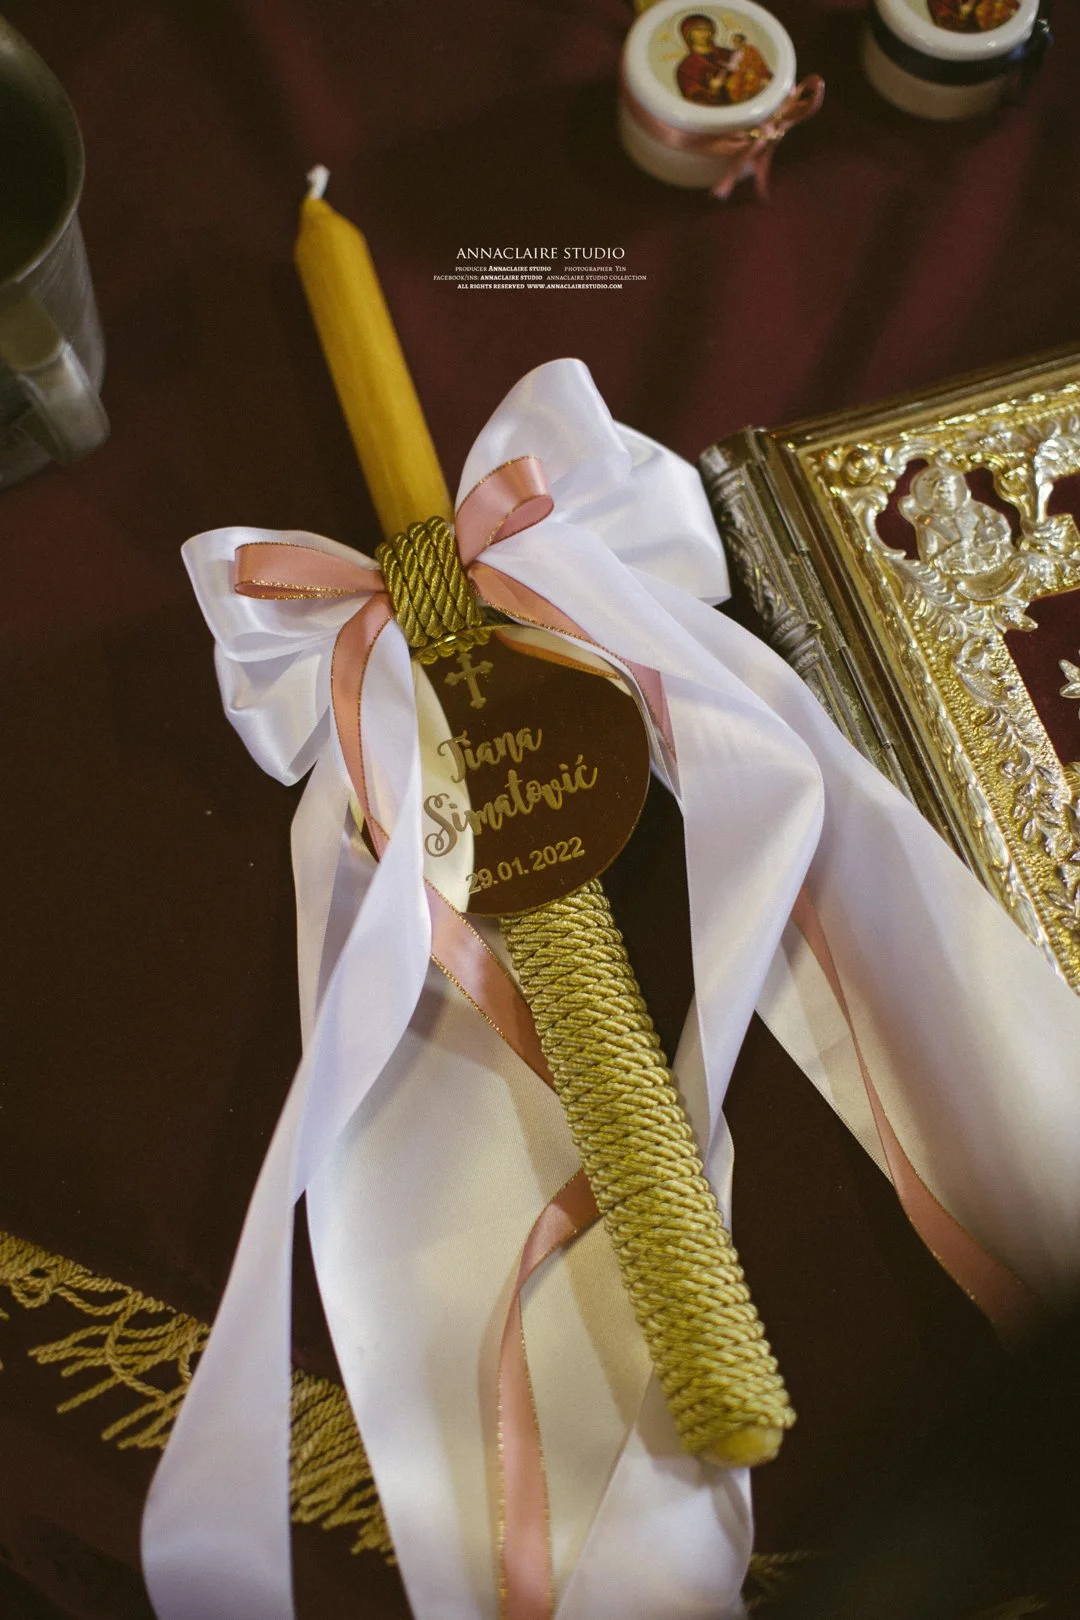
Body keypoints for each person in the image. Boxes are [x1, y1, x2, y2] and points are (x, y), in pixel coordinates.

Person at [675, 14, 733, 105]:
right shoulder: (685, 67)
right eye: (698, 29)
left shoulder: (727, 53)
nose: (704, 33)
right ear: (688, 33)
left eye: (707, 29)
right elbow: (693, 97)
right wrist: (713, 90)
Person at [723, 30, 773, 104]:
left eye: (738, 41)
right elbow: (733, 66)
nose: (736, 43)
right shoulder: (735, 53)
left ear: (742, 41)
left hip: (753, 72)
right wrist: (726, 65)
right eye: (734, 41)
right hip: (739, 72)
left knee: (750, 80)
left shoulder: (751, 49)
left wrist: (749, 69)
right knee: (731, 84)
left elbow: (758, 62)